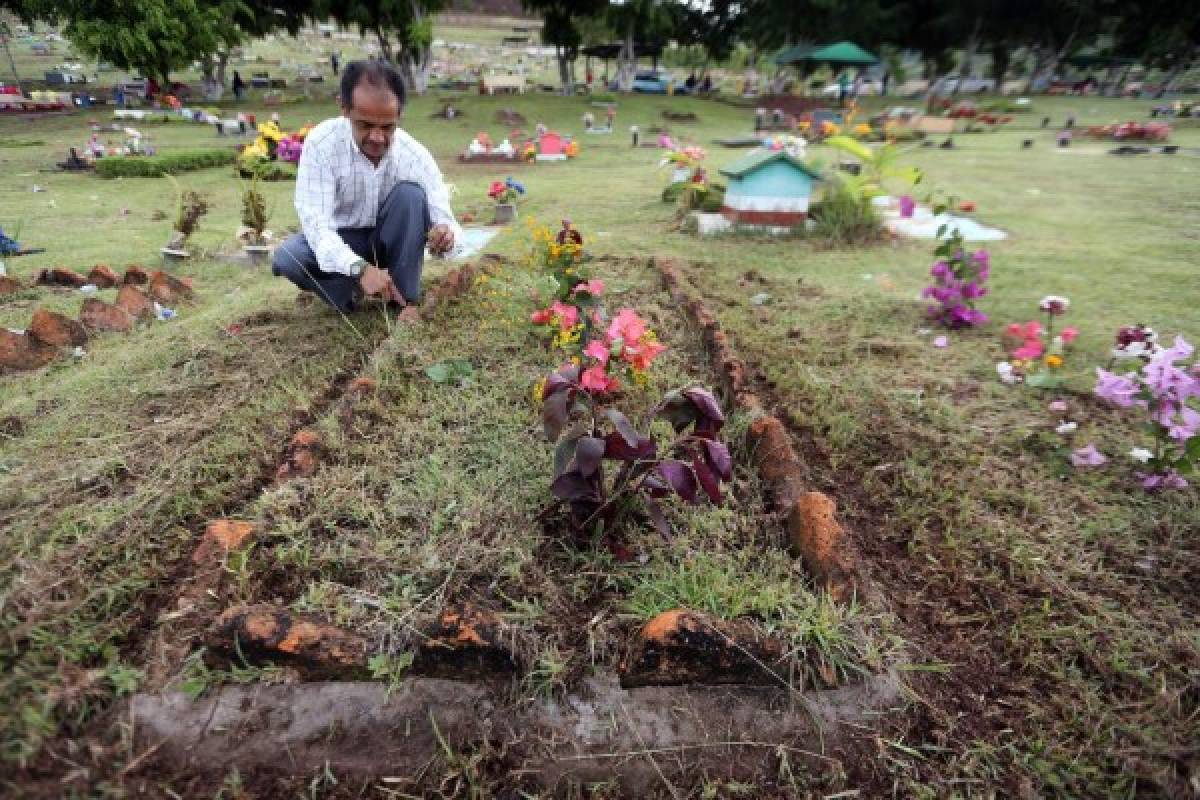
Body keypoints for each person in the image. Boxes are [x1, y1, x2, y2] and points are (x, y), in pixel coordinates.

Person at [272, 60, 461, 313]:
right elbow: (316, 226)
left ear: (399, 115)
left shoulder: (414, 156)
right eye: (365, 125)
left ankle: (403, 301)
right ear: (344, 108)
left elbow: (446, 221)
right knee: (289, 256)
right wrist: (359, 268)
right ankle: (352, 292)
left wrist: (446, 236)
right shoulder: (322, 144)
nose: (377, 137)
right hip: (344, 240)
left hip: (392, 242)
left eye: (387, 127)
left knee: (410, 195)